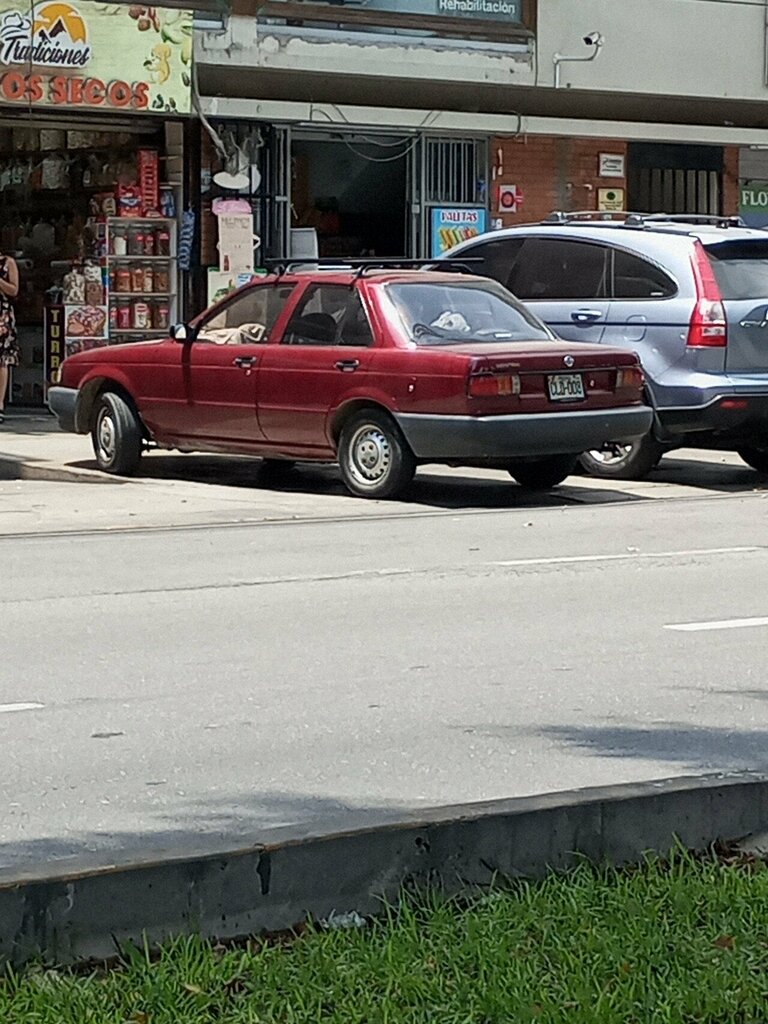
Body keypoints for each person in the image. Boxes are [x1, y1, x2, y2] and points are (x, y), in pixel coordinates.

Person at [0, 250, 19, 423]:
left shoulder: (8, 263)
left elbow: (13, 290)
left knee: (2, 360)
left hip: (2, 315)